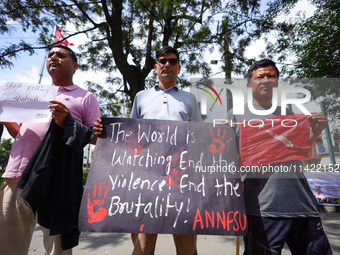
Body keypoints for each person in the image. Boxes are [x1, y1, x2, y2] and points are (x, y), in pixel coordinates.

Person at [93, 46, 202, 255]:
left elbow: (198, 134)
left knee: (187, 247)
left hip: (181, 178)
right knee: (143, 247)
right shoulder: (141, 97)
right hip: (146, 180)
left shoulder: (190, 99)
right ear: (156, 67)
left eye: (172, 61)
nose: (167, 65)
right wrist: (105, 131)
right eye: (162, 61)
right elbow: (130, 134)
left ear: (179, 68)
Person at [0, 44, 101, 255]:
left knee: (57, 249)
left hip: (57, 179)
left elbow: (95, 137)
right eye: (50, 55)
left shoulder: (85, 97)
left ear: (75, 66)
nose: (53, 57)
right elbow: (20, 133)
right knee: (8, 244)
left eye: (61, 55)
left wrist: (67, 121)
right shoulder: (30, 94)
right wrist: (7, 118)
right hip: (17, 174)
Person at [226, 59, 332, 254]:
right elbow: (226, 158)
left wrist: (316, 131)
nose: (266, 80)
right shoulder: (236, 116)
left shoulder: (288, 113)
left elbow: (296, 149)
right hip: (262, 209)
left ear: (277, 82)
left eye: (271, 76)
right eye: (260, 77)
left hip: (302, 204)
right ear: (249, 84)